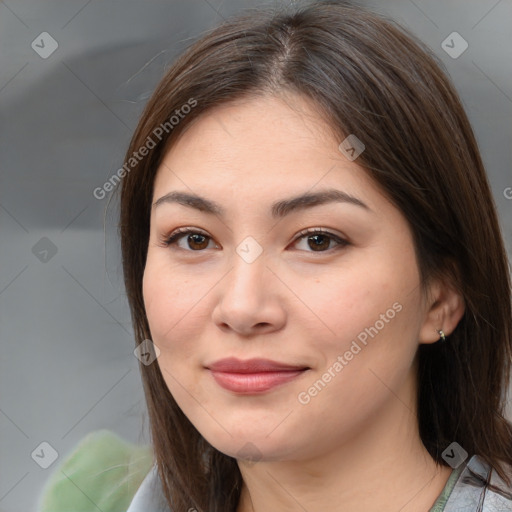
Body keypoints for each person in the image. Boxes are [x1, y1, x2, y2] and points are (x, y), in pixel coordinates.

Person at [37, 1, 512, 511]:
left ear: (440, 296)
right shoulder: (91, 497)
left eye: (317, 240)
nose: (242, 308)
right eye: (194, 239)